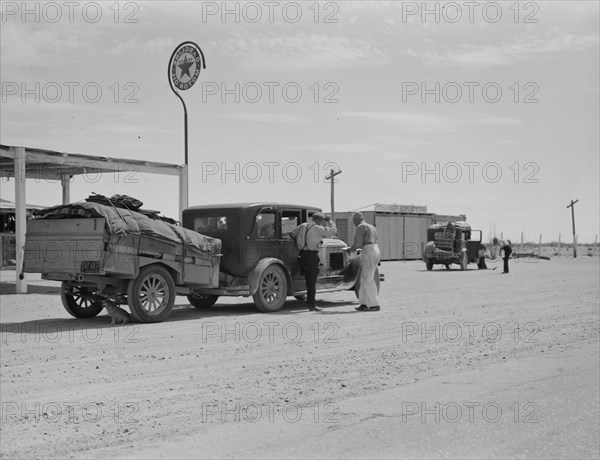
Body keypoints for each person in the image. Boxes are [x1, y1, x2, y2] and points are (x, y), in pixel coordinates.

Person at [290, 212, 337, 312]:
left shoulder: (302, 225)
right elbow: (333, 231)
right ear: (319, 220)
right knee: (311, 282)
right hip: (311, 256)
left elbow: (293, 234)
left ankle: (305, 297)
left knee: (307, 278)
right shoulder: (317, 228)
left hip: (302, 254)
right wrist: (330, 221)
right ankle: (312, 305)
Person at [346, 212, 381, 311]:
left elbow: (358, 243)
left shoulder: (361, 227)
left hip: (369, 251)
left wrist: (350, 249)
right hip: (374, 250)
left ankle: (374, 305)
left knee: (367, 279)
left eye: (353, 221)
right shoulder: (371, 227)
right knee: (365, 278)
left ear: (356, 219)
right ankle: (364, 303)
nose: (353, 223)